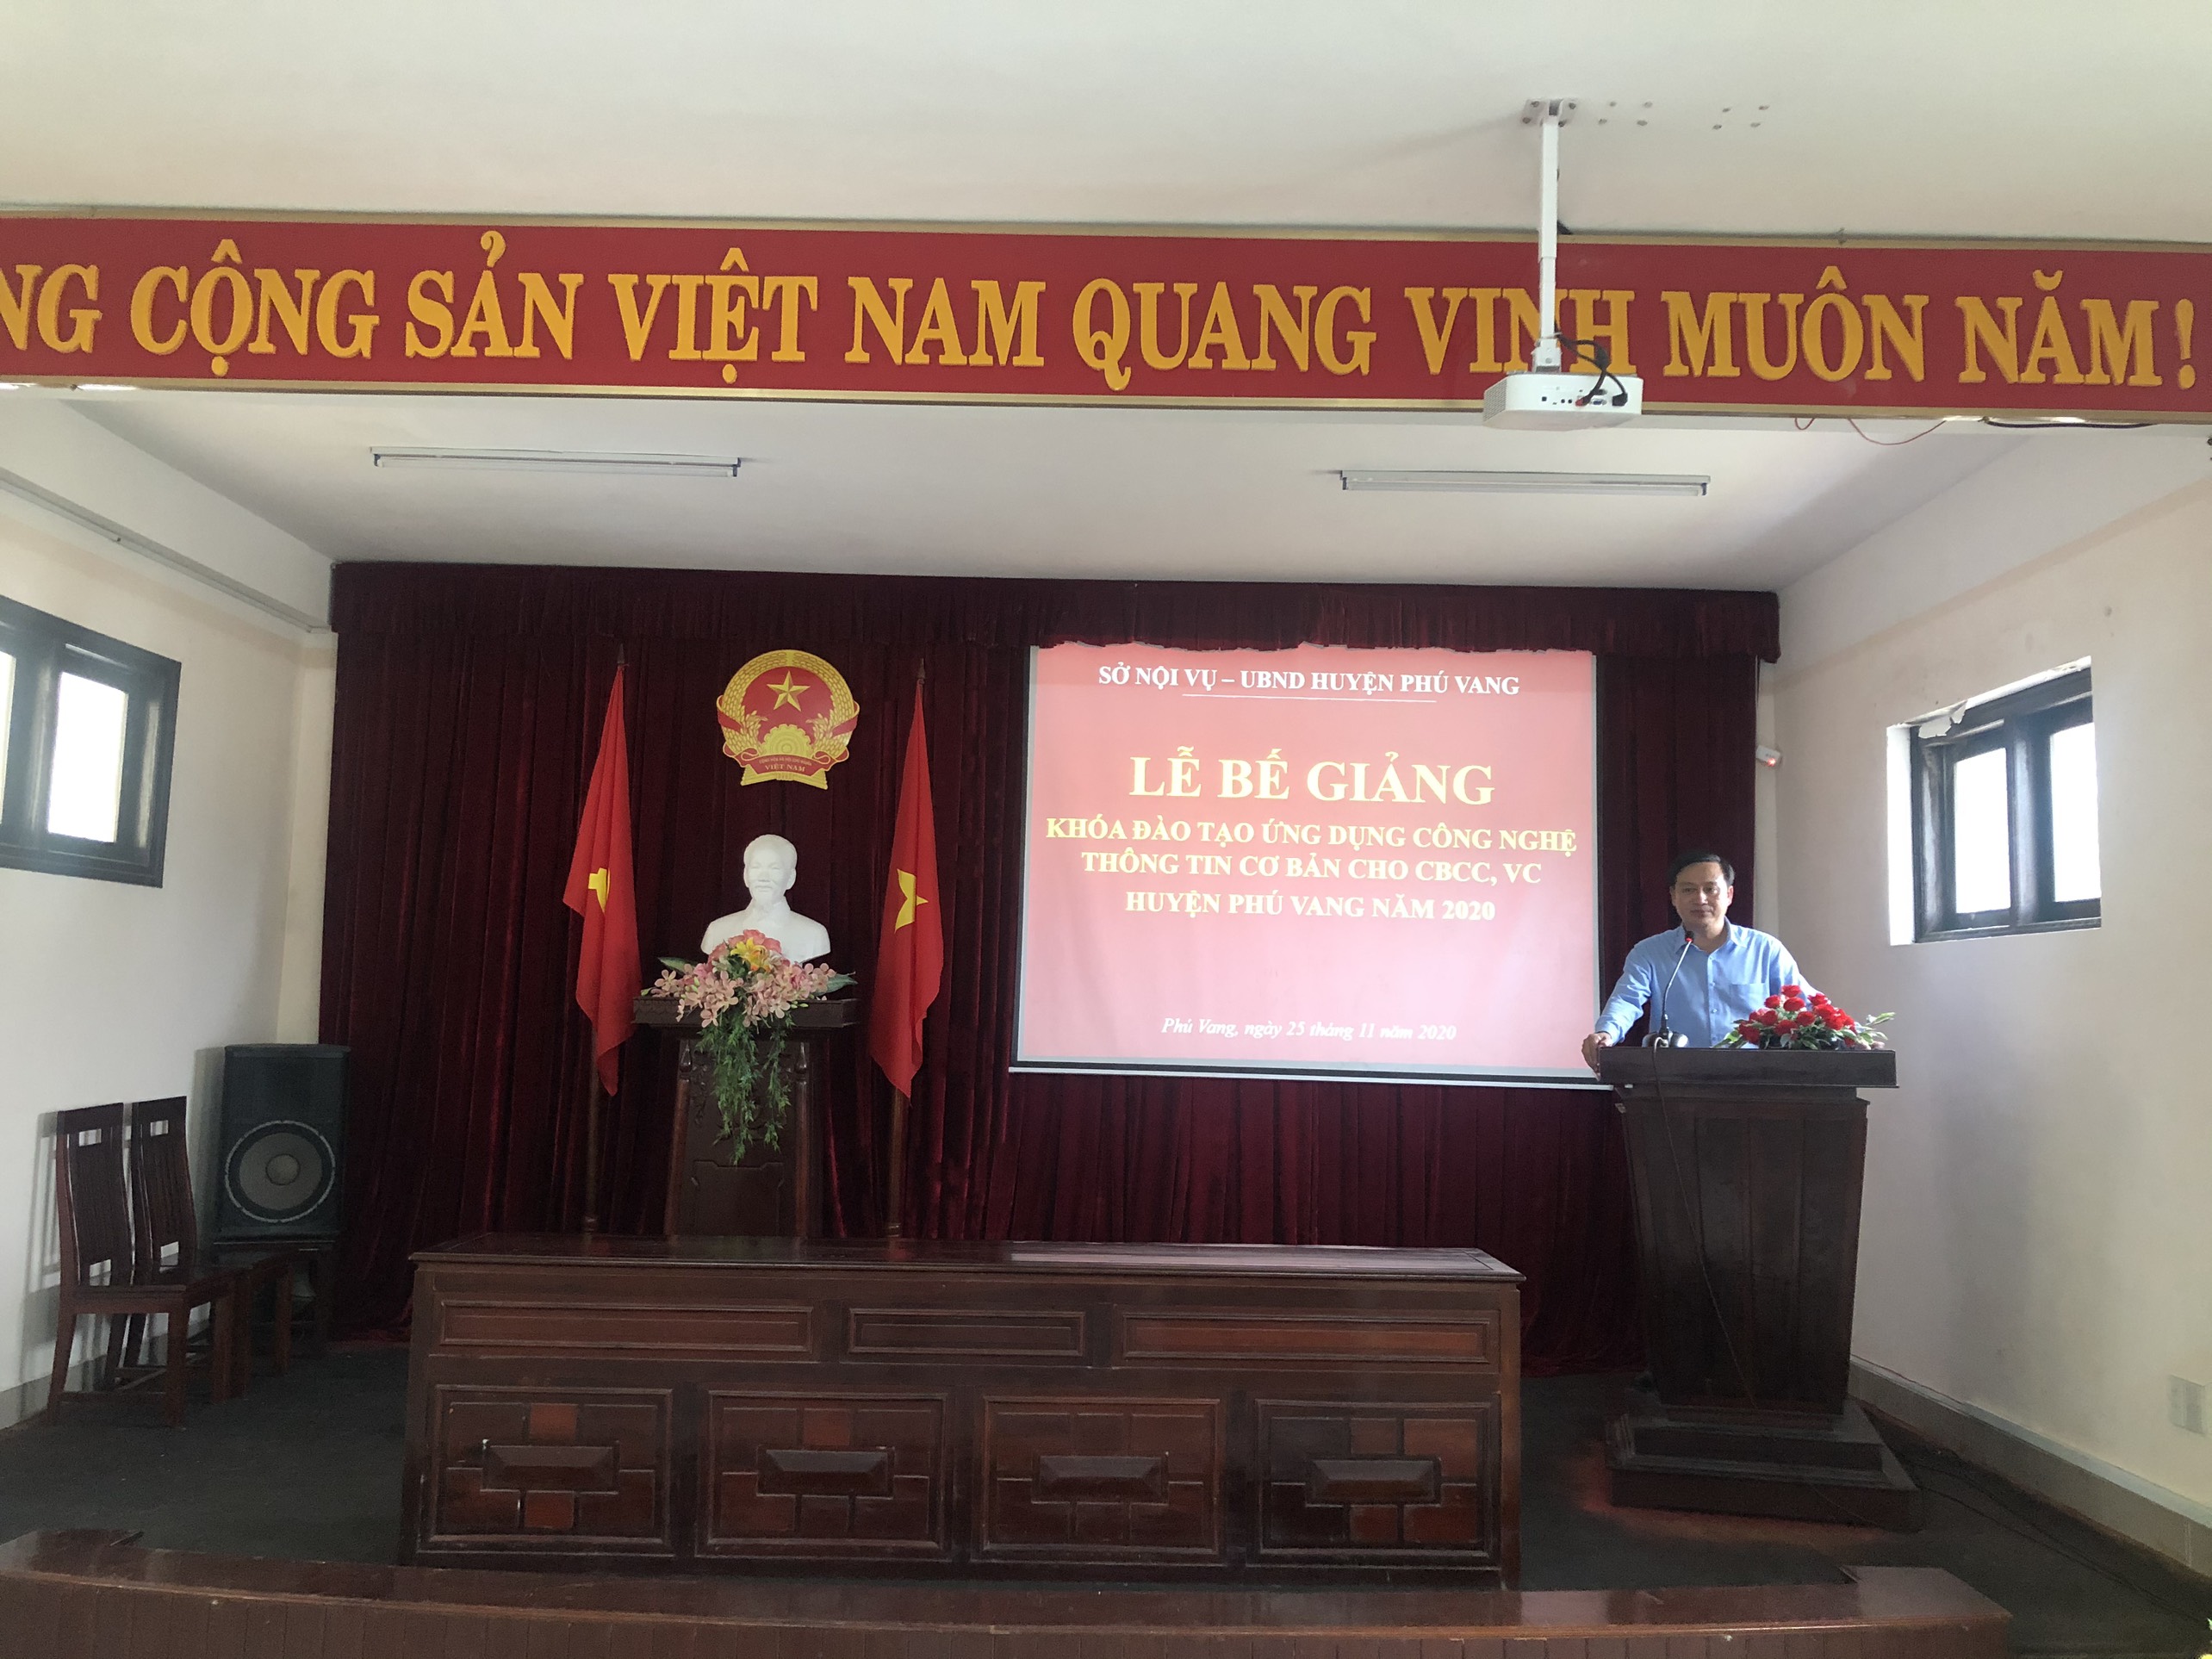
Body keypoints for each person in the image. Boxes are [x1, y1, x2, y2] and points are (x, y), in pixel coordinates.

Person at [1581, 849, 1811, 1071]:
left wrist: (1832, 1032)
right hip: (1674, 1080)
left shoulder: (1765, 950)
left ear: (1729, 895)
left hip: (1753, 1079)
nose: (1700, 899)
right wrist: (1607, 1032)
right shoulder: (1649, 953)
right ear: (1673, 897)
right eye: (1688, 890)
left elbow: (1805, 1005)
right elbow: (1627, 1000)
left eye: (1710, 889)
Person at [701, 834, 832, 962]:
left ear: (791, 878)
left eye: (774, 868)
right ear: (745, 875)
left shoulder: (814, 935)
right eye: (756, 867)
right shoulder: (717, 930)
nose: (763, 878)